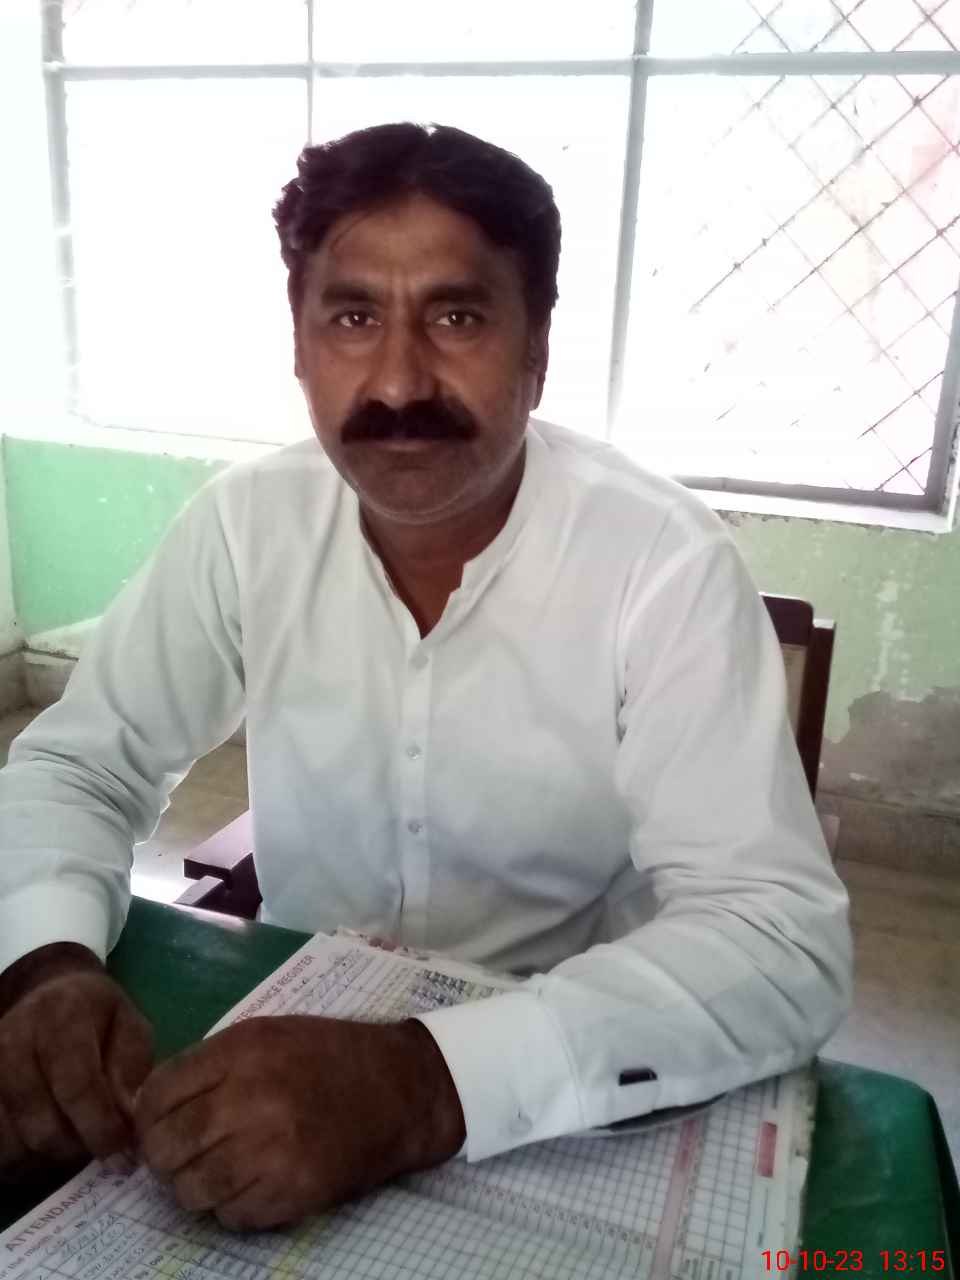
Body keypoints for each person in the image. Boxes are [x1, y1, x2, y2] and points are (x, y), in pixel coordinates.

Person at [0, 122, 851, 1231]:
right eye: (353, 318)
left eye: (458, 318)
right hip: (283, 1042)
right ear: (299, 347)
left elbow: (778, 940)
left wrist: (422, 1084)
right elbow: (82, 765)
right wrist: (46, 958)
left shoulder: (663, 564)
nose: (399, 380)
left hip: (573, 1065)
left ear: (536, 351)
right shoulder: (247, 527)